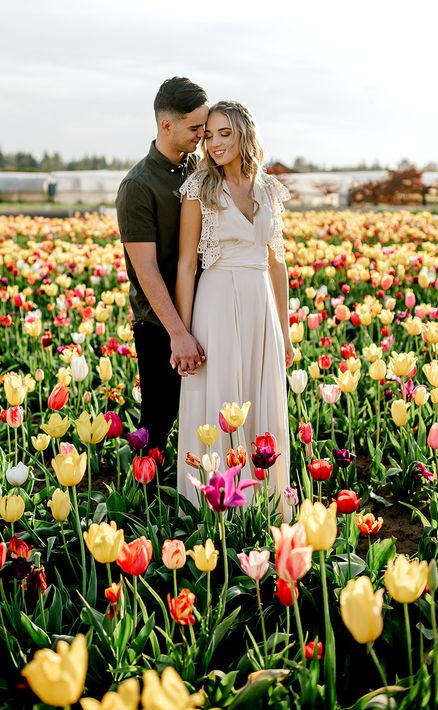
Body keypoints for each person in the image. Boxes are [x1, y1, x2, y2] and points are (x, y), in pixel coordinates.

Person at [174, 100, 295, 518]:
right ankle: (212, 513)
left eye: (224, 133)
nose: (216, 143)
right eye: (209, 136)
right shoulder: (199, 188)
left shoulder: (269, 189)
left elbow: (277, 262)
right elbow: (187, 264)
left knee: (260, 399)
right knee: (221, 398)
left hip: (261, 304)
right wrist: (183, 333)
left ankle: (263, 510)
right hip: (217, 303)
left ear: (245, 133)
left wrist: (286, 330)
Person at [116, 77, 209, 456]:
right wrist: (178, 334)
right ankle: (143, 504)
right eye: (195, 127)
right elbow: (146, 270)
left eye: (205, 126)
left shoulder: (198, 168)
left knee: (202, 411)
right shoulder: (138, 186)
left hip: (203, 308)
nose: (202, 135)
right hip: (159, 322)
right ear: (166, 125)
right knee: (159, 419)